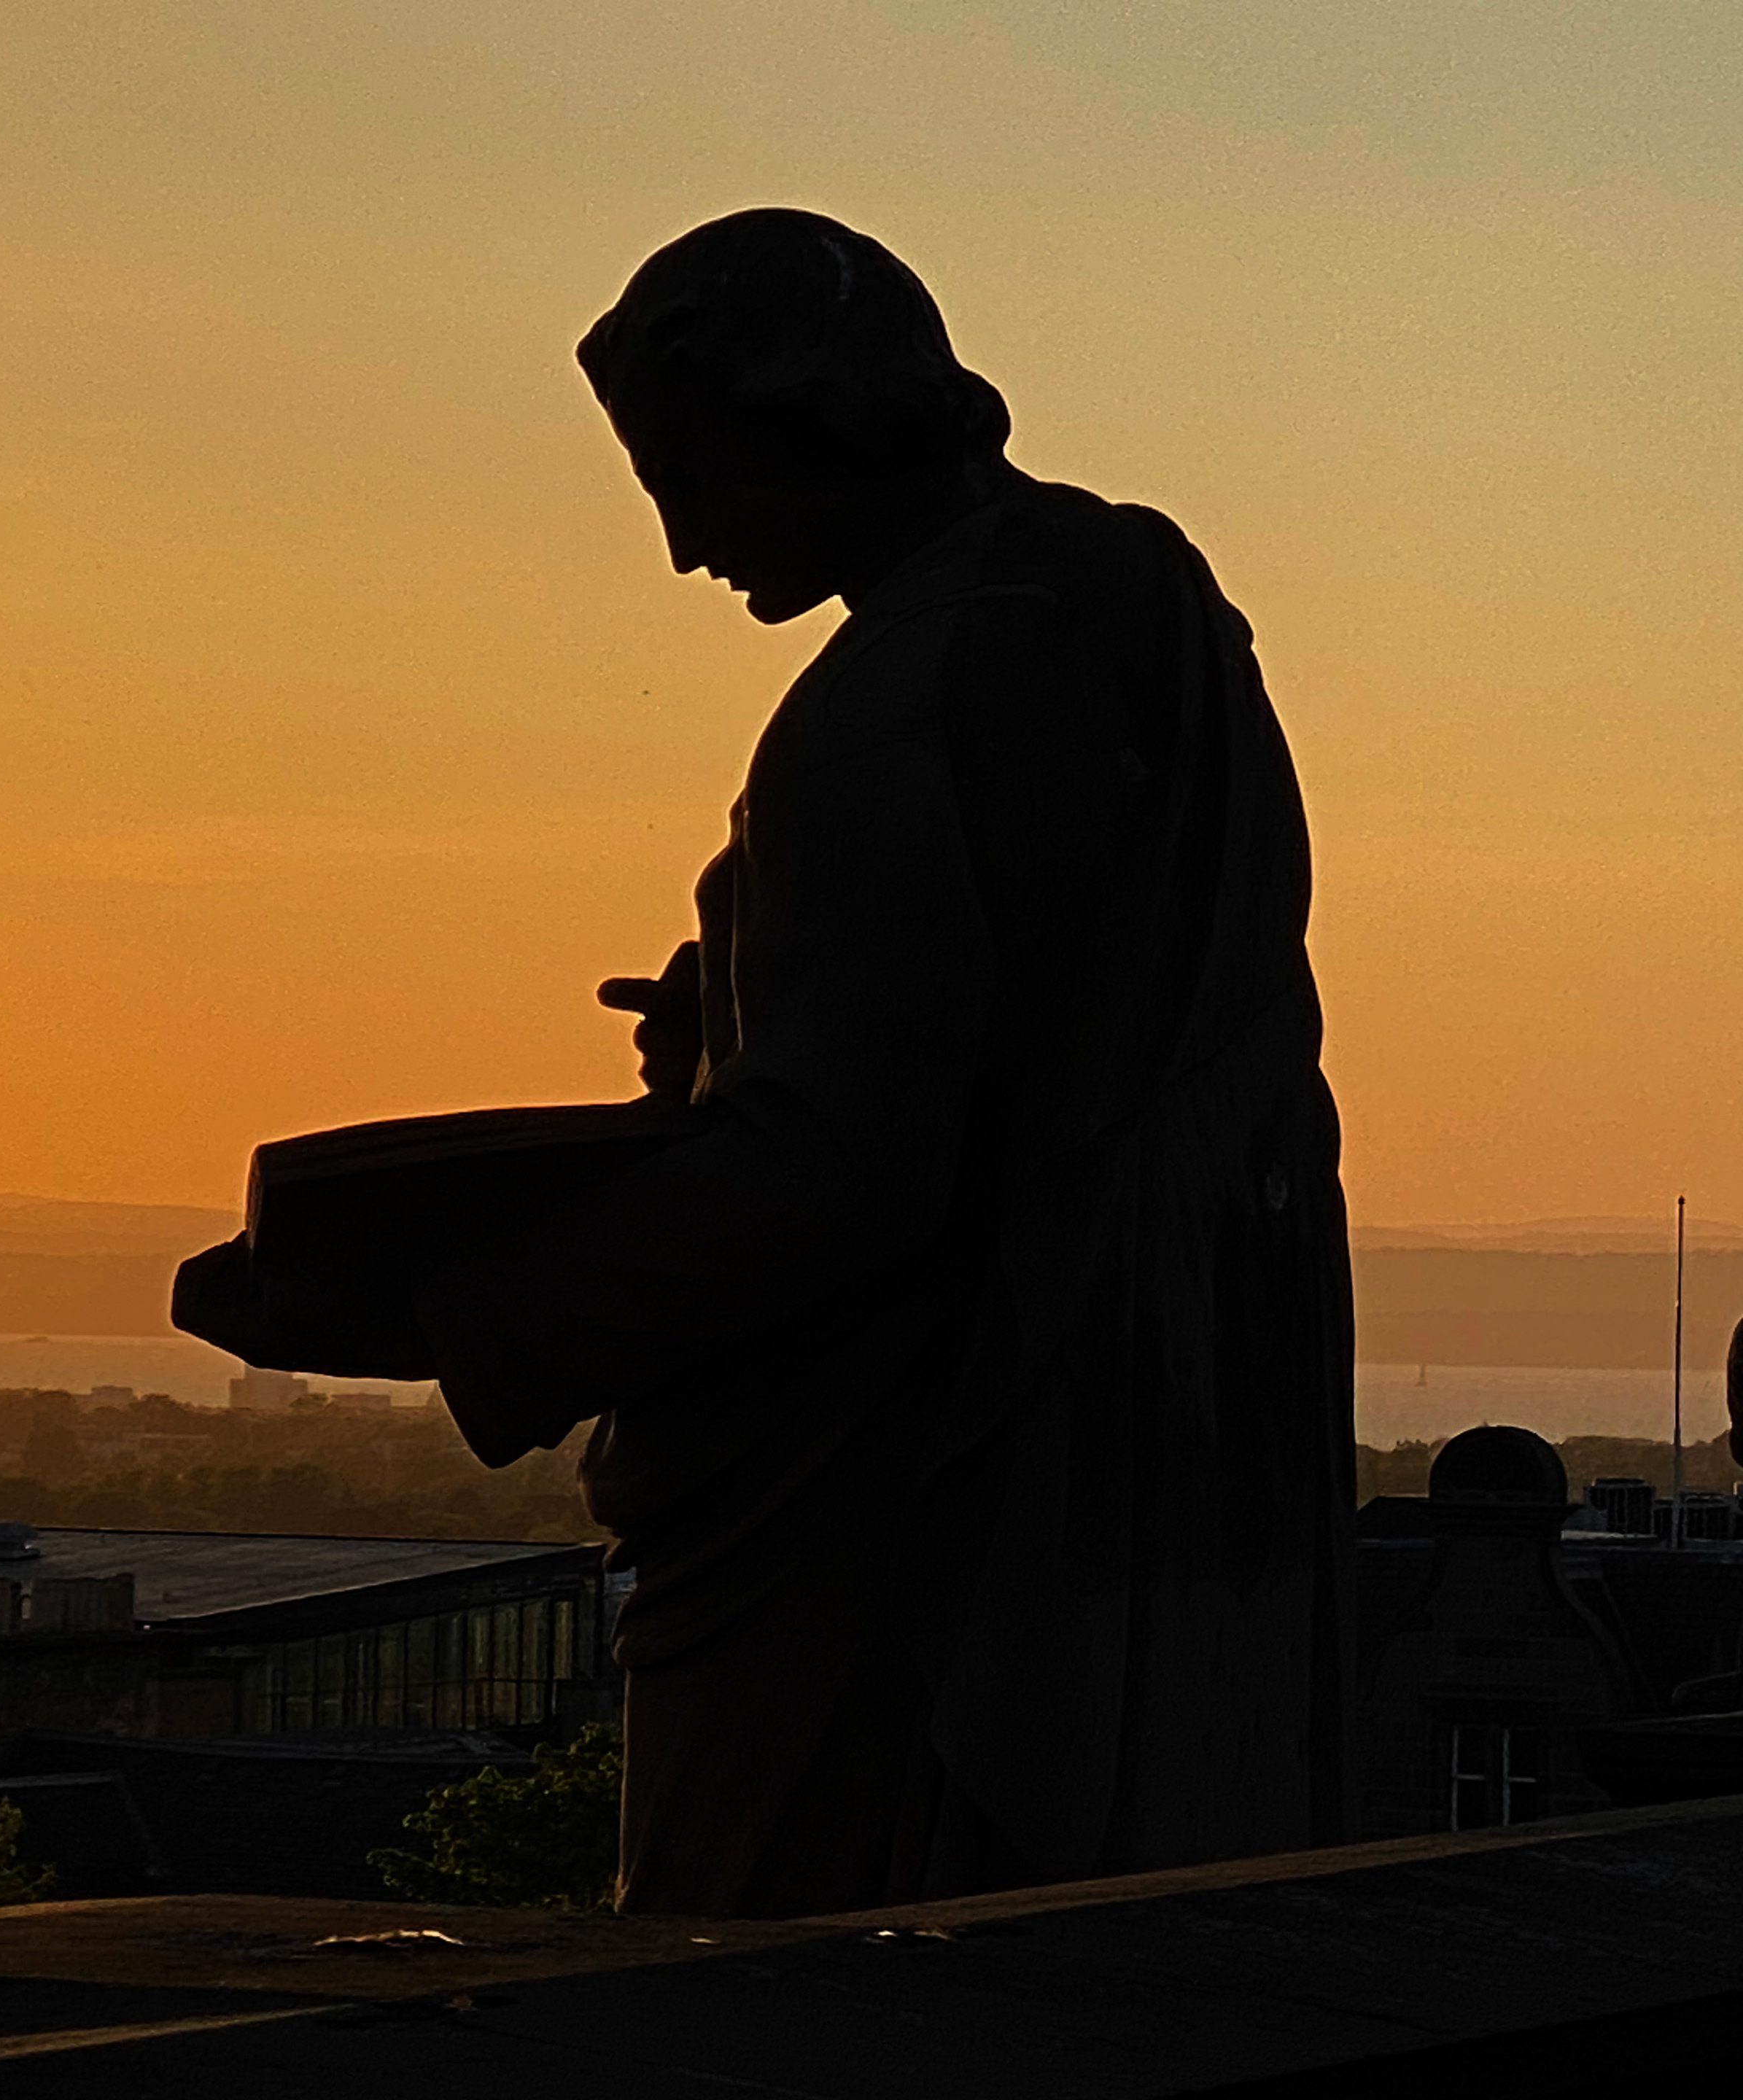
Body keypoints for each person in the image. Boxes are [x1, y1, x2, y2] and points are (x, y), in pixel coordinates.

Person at [399, 210, 1356, 1916]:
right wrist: (747, 1006)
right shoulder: (1141, 592)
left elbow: (841, 1173)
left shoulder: (894, 693)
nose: (685, 550)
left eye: (684, 477)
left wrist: (470, 1306)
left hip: (932, 1485)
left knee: (795, 1960)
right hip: (1175, 1396)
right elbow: (1059, 1020)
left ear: (810, 414)